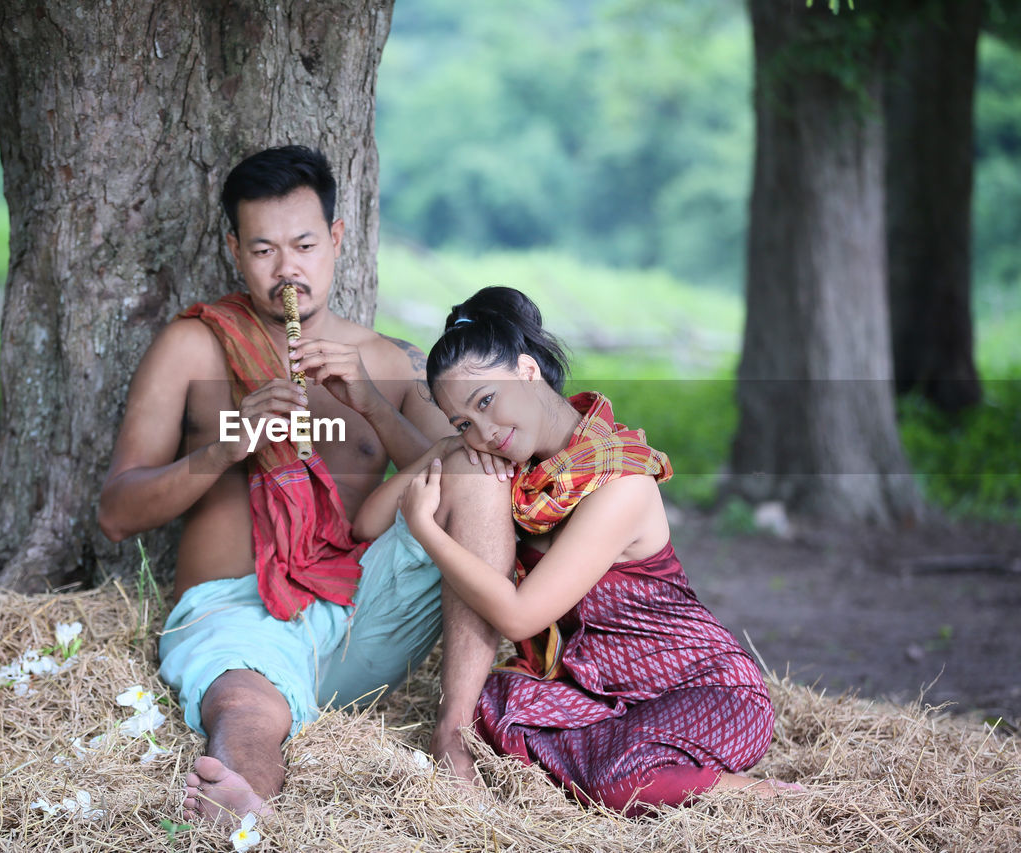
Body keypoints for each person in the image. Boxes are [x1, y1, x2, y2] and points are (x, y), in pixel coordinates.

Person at [97, 146, 505, 825]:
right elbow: (116, 512)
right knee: (248, 708)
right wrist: (227, 444)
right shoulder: (196, 345)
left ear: (337, 239)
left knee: (476, 474)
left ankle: (454, 736)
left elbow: (463, 459)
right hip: (238, 616)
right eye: (263, 250)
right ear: (234, 249)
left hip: (358, 617)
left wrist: (374, 404)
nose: (287, 269)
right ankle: (240, 802)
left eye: (305, 244)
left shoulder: (390, 360)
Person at [358, 286, 799, 814]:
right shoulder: (513, 467)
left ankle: (761, 794)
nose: (486, 431)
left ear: (525, 370)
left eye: (486, 401)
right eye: (464, 423)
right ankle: (625, 765)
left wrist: (428, 530)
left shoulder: (621, 483)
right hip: (601, 692)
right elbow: (367, 521)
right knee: (490, 708)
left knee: (619, 784)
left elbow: (519, 619)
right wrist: (441, 447)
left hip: (703, 689)